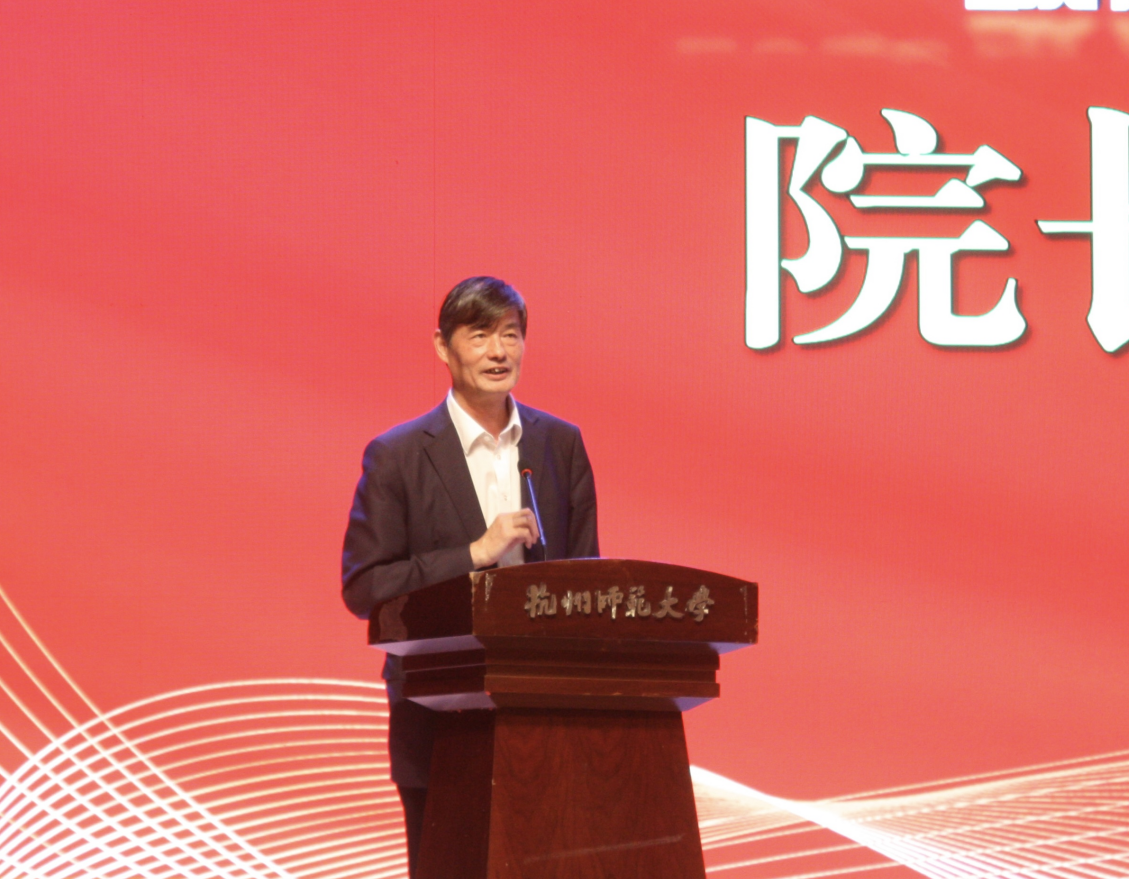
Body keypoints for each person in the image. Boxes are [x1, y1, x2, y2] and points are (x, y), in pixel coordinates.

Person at [341, 276, 599, 875]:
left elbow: (585, 580)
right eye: (480, 336)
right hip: (439, 716)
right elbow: (365, 587)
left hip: (543, 714)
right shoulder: (398, 455)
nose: (498, 352)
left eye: (511, 335)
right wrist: (475, 552)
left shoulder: (560, 444)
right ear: (443, 346)